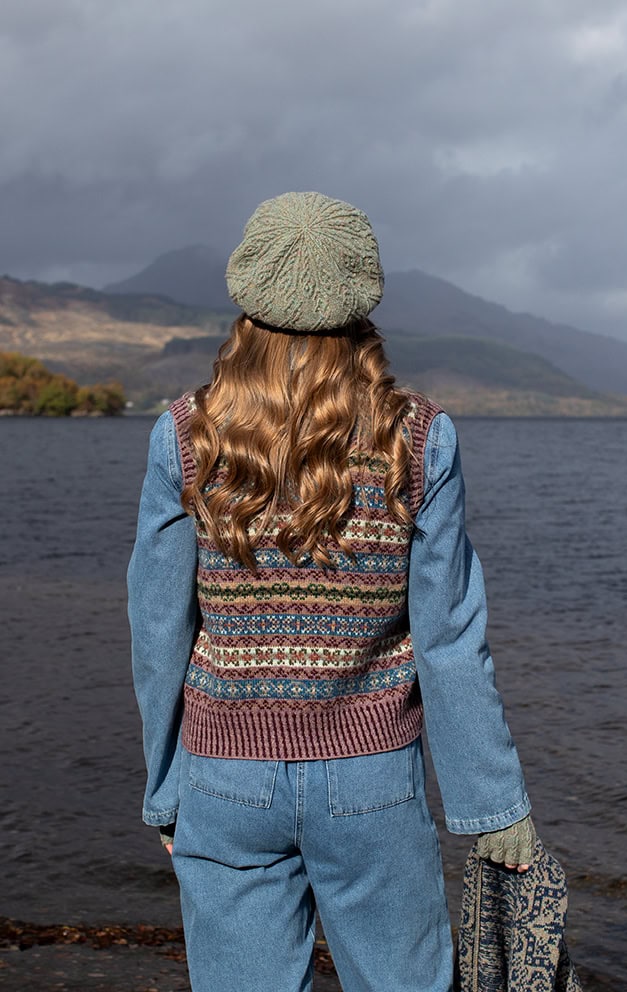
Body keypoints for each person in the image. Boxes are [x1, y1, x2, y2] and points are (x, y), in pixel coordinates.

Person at [128, 191, 535, 992]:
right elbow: (449, 637)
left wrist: (166, 787)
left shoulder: (185, 433)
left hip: (223, 771)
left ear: (249, 292)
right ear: (361, 297)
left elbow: (157, 632)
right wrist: (494, 806)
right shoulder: (420, 436)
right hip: (373, 778)